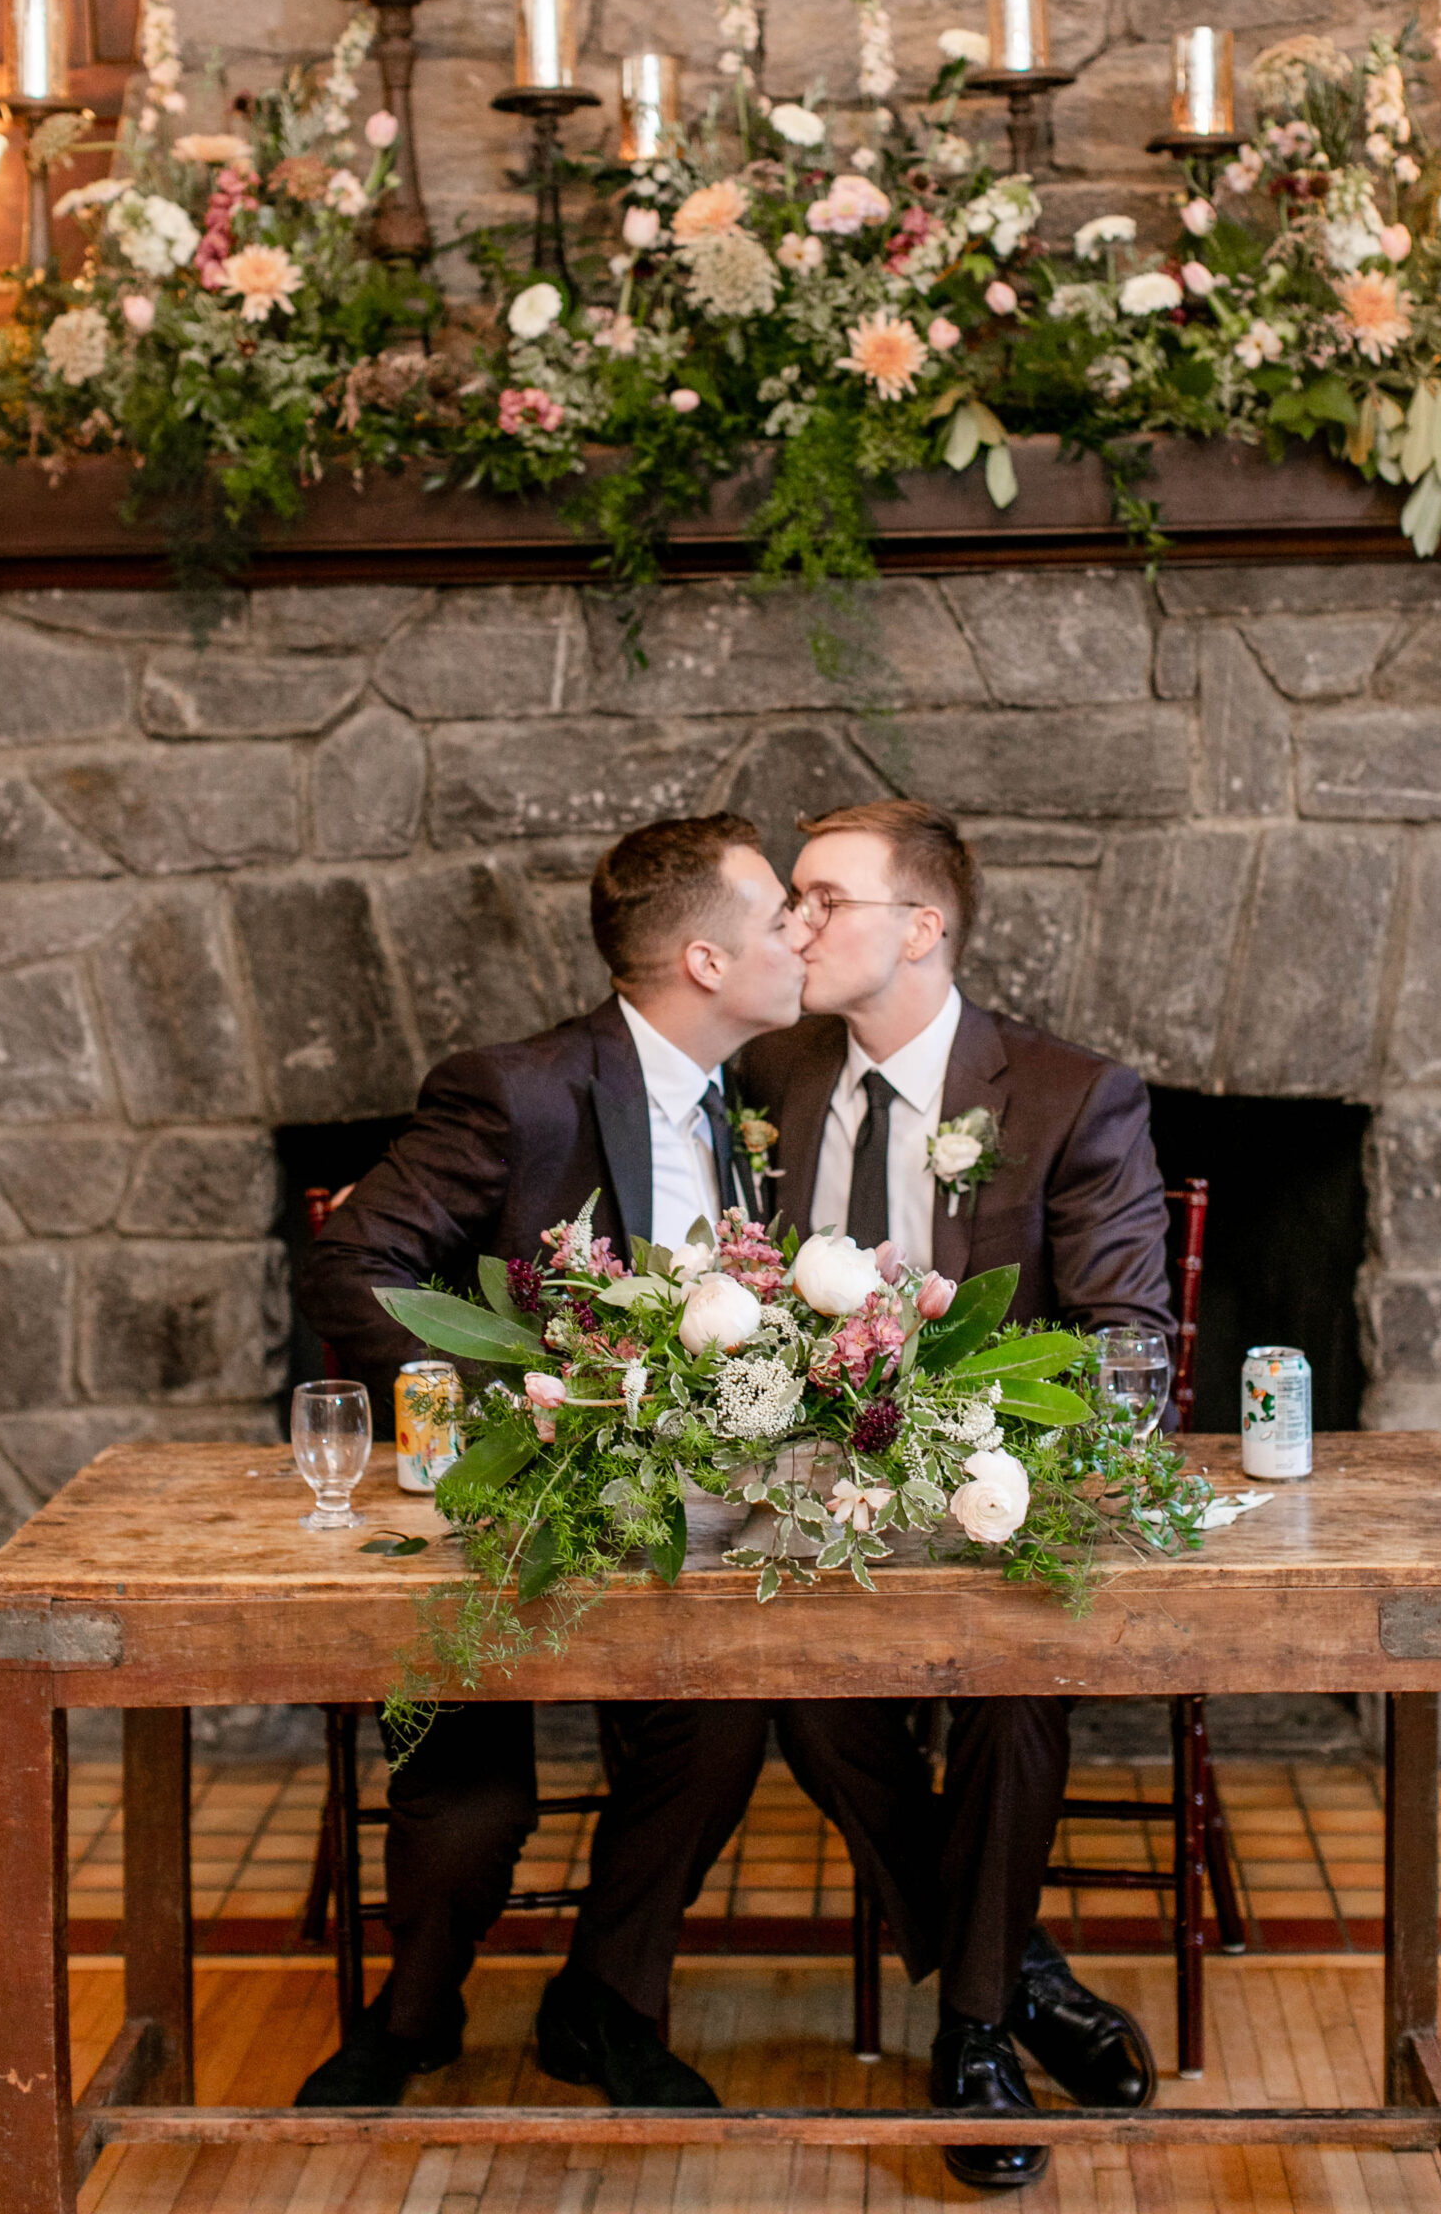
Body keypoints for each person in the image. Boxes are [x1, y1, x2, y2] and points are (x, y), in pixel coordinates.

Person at [294, 812, 806, 2111]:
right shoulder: (521, 1091)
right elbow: (352, 1262)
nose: (803, 938)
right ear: (703, 959)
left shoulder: (744, 1109)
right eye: (778, 919)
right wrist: (492, 1417)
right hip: (513, 1517)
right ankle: (414, 2015)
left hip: (681, 1525)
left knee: (723, 1726)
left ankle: (606, 2001)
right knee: (469, 1804)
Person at [734, 797, 1175, 2193]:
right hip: (807, 1498)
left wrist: (981, 1459)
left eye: (821, 900)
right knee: (796, 1690)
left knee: (1009, 1685)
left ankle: (974, 2028)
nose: (792, 927)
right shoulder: (773, 1085)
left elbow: (1126, 1336)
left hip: (996, 1499)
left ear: (921, 929)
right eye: (790, 903)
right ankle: (1026, 1970)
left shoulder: (1067, 1095)